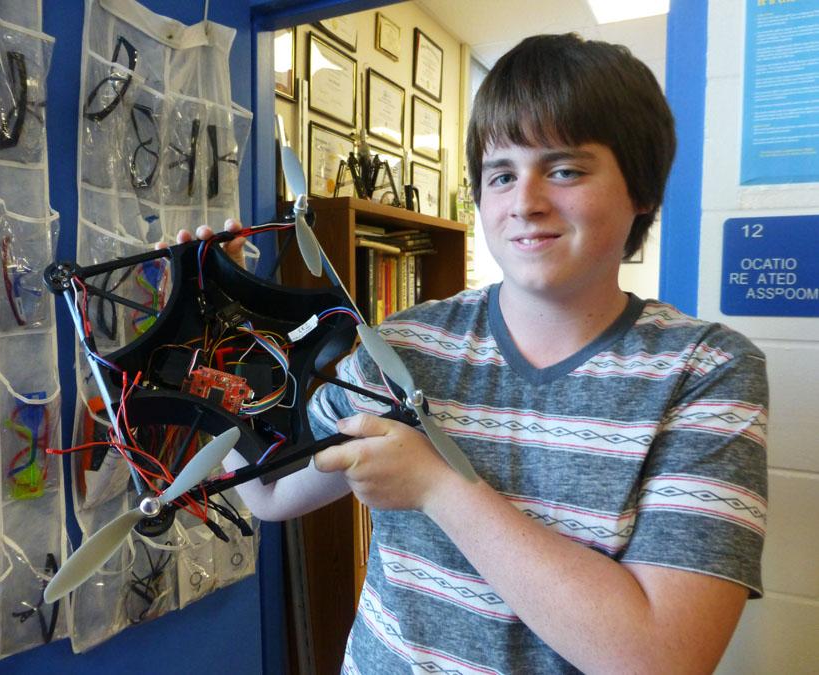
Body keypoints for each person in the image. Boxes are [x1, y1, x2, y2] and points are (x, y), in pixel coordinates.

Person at [182, 33, 768, 674]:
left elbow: (662, 659)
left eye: (565, 169)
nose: (525, 202)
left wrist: (440, 489)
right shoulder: (403, 346)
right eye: (501, 174)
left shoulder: (707, 372)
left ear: (643, 191)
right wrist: (212, 340)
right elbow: (268, 495)